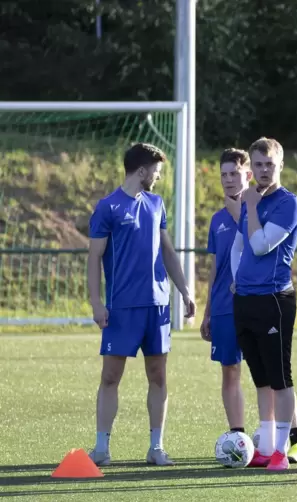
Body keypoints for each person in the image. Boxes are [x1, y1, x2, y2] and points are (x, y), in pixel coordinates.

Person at [87, 142, 196, 467]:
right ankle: (102, 448)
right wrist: (96, 303)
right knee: (110, 377)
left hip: (157, 308)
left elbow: (168, 252)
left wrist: (185, 291)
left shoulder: (156, 203)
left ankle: (155, 447)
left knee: (158, 376)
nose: (158, 178)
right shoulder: (107, 208)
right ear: (142, 171)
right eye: (156, 172)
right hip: (121, 308)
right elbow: (93, 258)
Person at [230, 137, 297, 471]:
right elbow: (239, 246)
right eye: (257, 165)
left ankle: (281, 451)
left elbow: (260, 245)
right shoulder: (252, 200)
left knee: (280, 378)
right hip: (245, 299)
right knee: (260, 379)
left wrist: (250, 206)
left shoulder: (288, 204)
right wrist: (237, 279)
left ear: (280, 166)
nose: (262, 171)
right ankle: (265, 446)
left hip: (274, 298)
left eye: (269, 165)